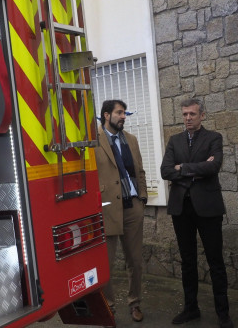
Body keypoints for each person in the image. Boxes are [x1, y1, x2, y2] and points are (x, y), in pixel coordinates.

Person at [161, 98, 233, 327]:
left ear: (202, 115)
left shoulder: (214, 138)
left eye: (192, 114)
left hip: (208, 208)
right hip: (181, 208)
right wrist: (195, 170)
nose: (188, 118)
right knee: (188, 261)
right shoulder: (175, 140)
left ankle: (223, 313)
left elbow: (213, 166)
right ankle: (191, 308)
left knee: (216, 262)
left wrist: (182, 168)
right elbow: (165, 171)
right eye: (184, 115)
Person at [96, 100, 148, 322]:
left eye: (124, 113)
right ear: (106, 115)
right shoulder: (94, 140)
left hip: (132, 206)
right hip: (107, 209)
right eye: (119, 113)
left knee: (135, 260)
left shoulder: (132, 140)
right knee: (106, 263)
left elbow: (140, 170)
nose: (123, 116)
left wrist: (142, 197)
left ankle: (134, 302)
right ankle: (108, 308)